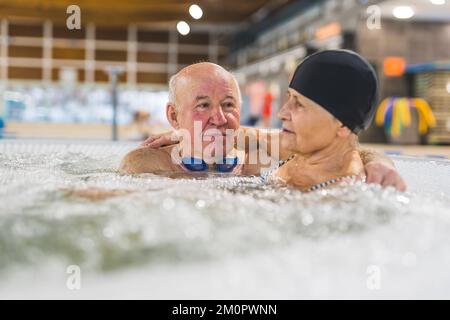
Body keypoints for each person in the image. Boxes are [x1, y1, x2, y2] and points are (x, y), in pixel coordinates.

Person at [122, 61, 405, 191]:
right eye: (203, 105)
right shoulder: (145, 163)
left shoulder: (258, 158)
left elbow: (340, 148)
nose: (219, 118)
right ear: (173, 116)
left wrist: (382, 163)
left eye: (229, 105)